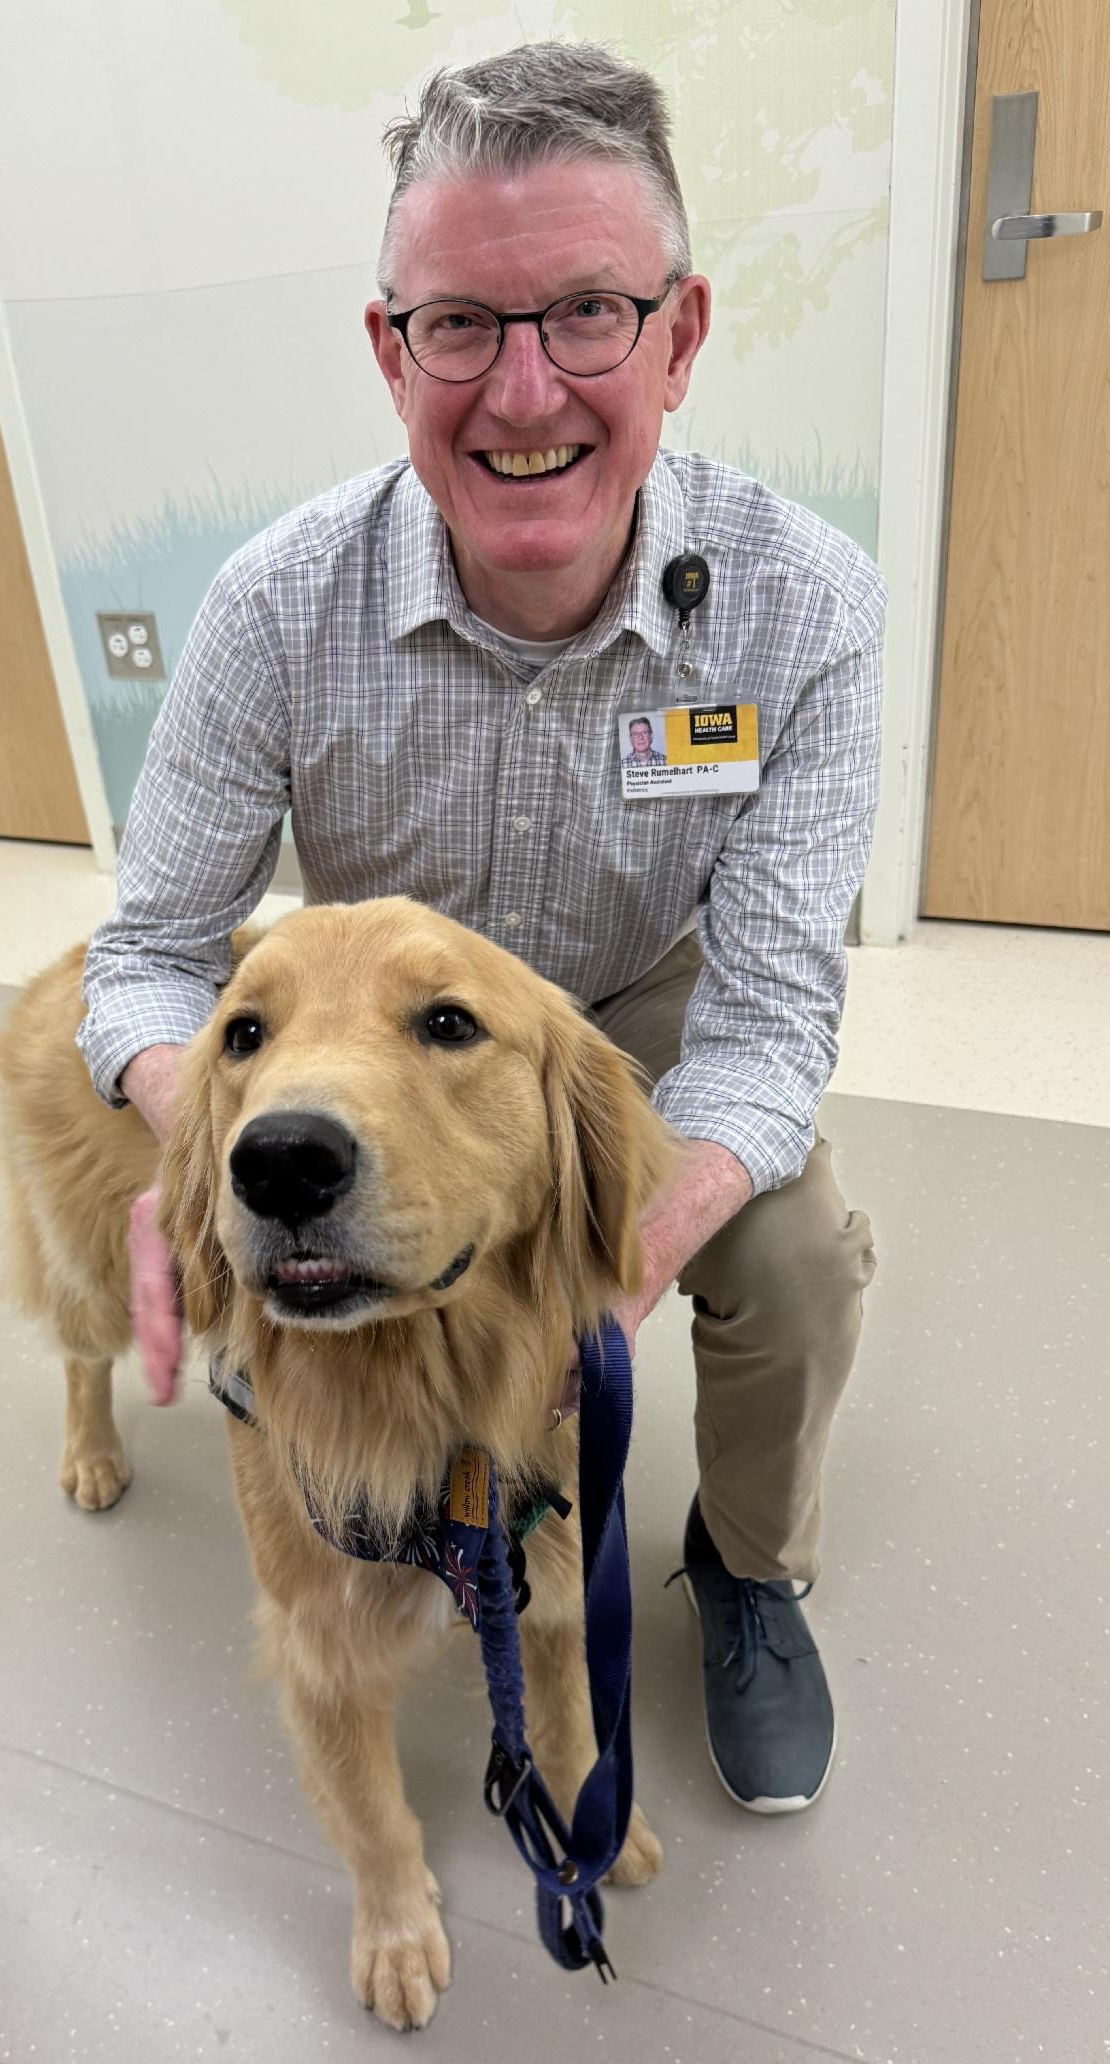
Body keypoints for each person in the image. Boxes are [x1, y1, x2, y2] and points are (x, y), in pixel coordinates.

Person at [80, 41, 882, 1816]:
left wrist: (611, 1241)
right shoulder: (275, 604)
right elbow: (147, 955)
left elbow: (765, 1020)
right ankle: (365, 1499)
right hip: (367, 1017)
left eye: (590, 311)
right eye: (461, 325)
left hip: (640, 1015)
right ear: (392, 351)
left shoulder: (809, 606)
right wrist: (203, 1134)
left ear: (677, 335)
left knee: (799, 1257)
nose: (525, 389)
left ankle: (748, 1573)